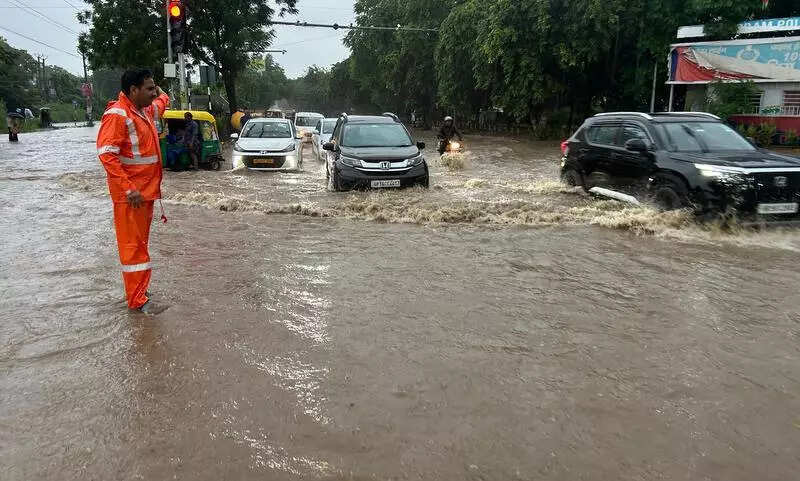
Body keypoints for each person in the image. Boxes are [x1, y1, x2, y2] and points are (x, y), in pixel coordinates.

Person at [96, 69, 170, 315]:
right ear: (133, 90)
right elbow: (107, 154)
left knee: (140, 245)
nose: (153, 93)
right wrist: (128, 189)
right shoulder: (118, 114)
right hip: (132, 196)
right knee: (133, 248)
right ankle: (137, 300)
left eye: (153, 88)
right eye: (148, 88)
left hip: (145, 194)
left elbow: (162, 100)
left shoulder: (145, 110)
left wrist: (158, 91)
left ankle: (140, 291)